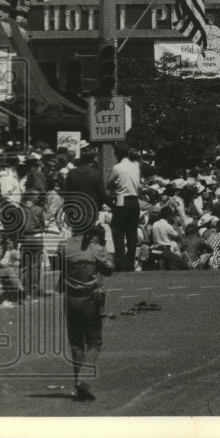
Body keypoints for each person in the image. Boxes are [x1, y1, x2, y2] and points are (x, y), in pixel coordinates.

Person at [58, 223, 114, 401]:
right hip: (90, 299)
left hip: (71, 298)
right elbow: (109, 269)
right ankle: (83, 378)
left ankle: (78, 384)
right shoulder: (95, 249)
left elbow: (60, 269)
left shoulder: (63, 248)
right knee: (94, 342)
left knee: (76, 344)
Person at [107, 144, 142, 272]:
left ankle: (121, 261)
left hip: (122, 199)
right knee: (132, 232)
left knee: (118, 231)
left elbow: (109, 184)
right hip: (134, 200)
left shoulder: (117, 167)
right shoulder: (136, 166)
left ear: (119, 155)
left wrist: (116, 185)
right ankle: (130, 261)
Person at [63, 146, 108, 231]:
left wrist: (67, 209)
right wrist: (98, 207)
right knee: (89, 233)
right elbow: (102, 195)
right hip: (91, 208)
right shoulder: (96, 174)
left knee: (76, 233)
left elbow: (67, 193)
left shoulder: (72, 173)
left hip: (75, 209)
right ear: (91, 162)